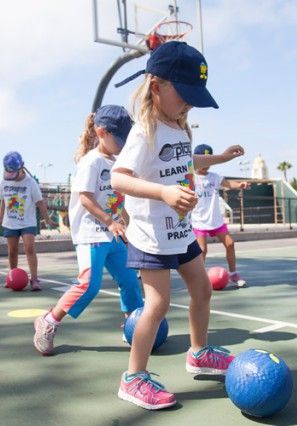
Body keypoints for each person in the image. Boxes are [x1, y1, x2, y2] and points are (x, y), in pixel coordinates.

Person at [111, 41, 244, 410]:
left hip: (180, 231)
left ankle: (199, 353)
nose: (188, 104)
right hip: (151, 235)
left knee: (202, 289)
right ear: (157, 86)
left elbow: (190, 164)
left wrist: (222, 157)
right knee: (157, 304)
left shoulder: (180, 129)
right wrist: (164, 194)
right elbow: (119, 179)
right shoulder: (145, 131)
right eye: (183, 95)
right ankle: (133, 377)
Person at [32, 105, 144, 356]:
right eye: (120, 139)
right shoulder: (91, 162)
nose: (124, 145)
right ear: (102, 132)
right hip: (91, 234)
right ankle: (48, 321)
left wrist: (125, 222)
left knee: (129, 280)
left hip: (112, 233)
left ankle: (135, 325)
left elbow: (119, 197)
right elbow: (85, 199)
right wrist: (110, 221)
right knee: (88, 285)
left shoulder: (117, 162)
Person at [0, 151, 57, 291]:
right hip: (10, 222)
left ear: (21, 167)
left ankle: (34, 279)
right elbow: (3, 201)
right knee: (12, 251)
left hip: (28, 222)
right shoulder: (4, 182)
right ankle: (12, 276)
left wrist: (47, 219)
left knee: (29, 248)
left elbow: (40, 202)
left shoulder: (31, 183)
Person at [191, 143, 250, 287]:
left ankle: (233, 274)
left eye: (209, 160)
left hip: (216, 220)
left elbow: (228, 184)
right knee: (202, 251)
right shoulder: (191, 178)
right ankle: (200, 279)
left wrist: (240, 185)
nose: (206, 164)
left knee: (230, 244)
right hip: (199, 221)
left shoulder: (215, 177)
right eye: (203, 160)